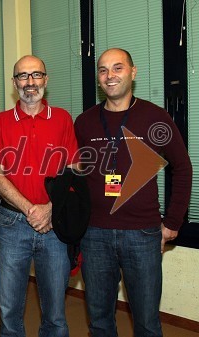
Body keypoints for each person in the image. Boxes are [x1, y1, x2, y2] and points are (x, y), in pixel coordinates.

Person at [74, 48, 192, 337]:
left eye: (117, 68)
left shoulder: (155, 117)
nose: (110, 75)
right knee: (99, 321)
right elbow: (76, 176)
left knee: (147, 323)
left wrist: (173, 222)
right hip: (94, 234)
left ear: (133, 72)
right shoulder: (85, 121)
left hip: (142, 234)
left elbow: (183, 168)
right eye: (103, 70)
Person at [0, 55, 79, 337]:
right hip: (11, 224)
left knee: (55, 313)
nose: (30, 82)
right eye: (23, 76)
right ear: (14, 83)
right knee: (9, 312)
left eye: (36, 75)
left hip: (55, 225)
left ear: (46, 80)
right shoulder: (1, 122)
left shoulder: (63, 118)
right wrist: (32, 210)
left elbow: (73, 171)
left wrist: (51, 209)